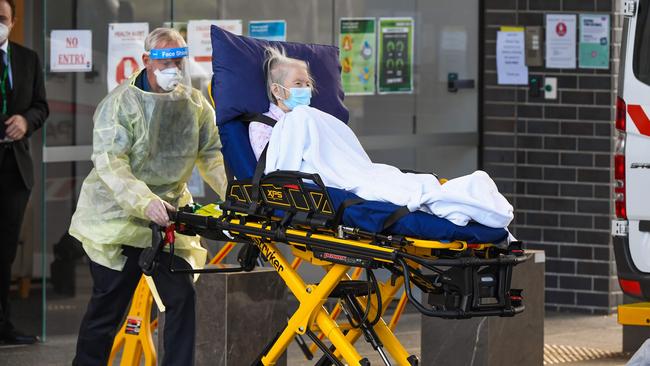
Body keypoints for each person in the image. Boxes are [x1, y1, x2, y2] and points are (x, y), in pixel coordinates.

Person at [68, 28, 227, 365]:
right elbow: (112, 163)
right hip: (118, 220)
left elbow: (212, 154)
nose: (173, 68)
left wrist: (238, 196)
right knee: (106, 309)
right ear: (146, 61)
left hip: (168, 219)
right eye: (165, 60)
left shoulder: (193, 104)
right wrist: (144, 201)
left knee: (181, 298)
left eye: (178, 60)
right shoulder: (120, 105)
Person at [251, 47, 513, 229]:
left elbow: (341, 151)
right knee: (384, 189)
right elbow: (278, 169)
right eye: (299, 84)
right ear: (277, 89)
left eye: (308, 83)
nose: (306, 89)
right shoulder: (265, 126)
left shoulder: (313, 117)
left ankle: (448, 193)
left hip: (354, 172)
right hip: (321, 181)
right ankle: (450, 197)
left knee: (391, 181)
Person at [0, 0, 49, 345]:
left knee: (5, 252)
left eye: (1, 18)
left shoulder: (27, 58)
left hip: (14, 168)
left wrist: (25, 121)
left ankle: (3, 323)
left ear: (13, 21)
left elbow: (41, 106)